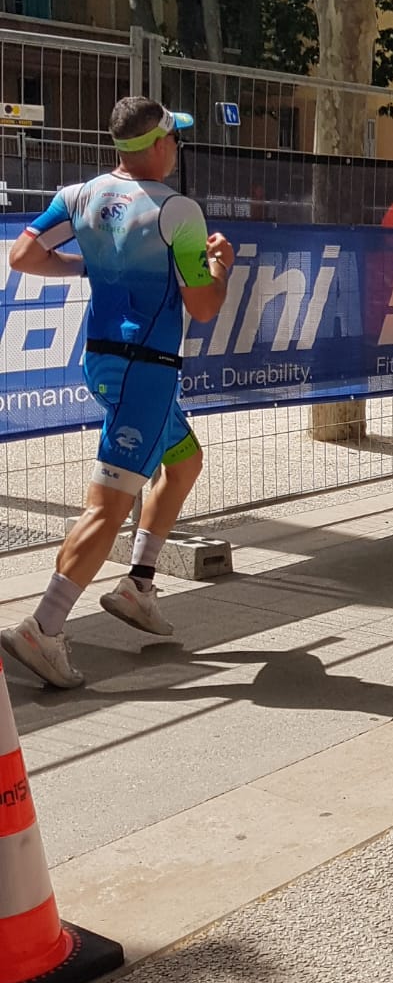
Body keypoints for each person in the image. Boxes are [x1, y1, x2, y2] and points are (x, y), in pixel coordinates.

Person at [0, 98, 231, 688]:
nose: (177, 149)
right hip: (145, 372)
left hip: (103, 361)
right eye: (175, 139)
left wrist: (89, 268)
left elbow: (23, 254)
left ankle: (139, 584)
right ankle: (43, 627)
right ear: (158, 144)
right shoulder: (178, 211)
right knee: (106, 506)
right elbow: (204, 306)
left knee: (185, 461)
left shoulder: (79, 195)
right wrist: (219, 268)